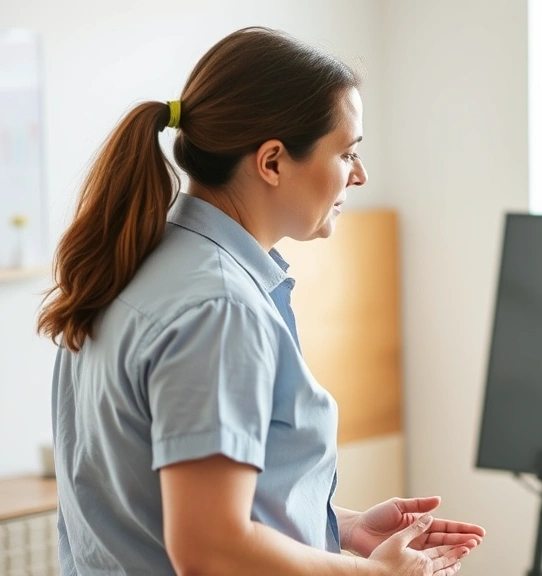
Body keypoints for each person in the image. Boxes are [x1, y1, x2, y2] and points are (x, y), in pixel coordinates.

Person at [38, 27, 483, 576]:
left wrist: (339, 528)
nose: (360, 175)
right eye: (347, 153)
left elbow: (160, 500)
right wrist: (378, 574)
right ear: (272, 162)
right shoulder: (219, 309)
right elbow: (210, 548)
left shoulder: (133, 262)